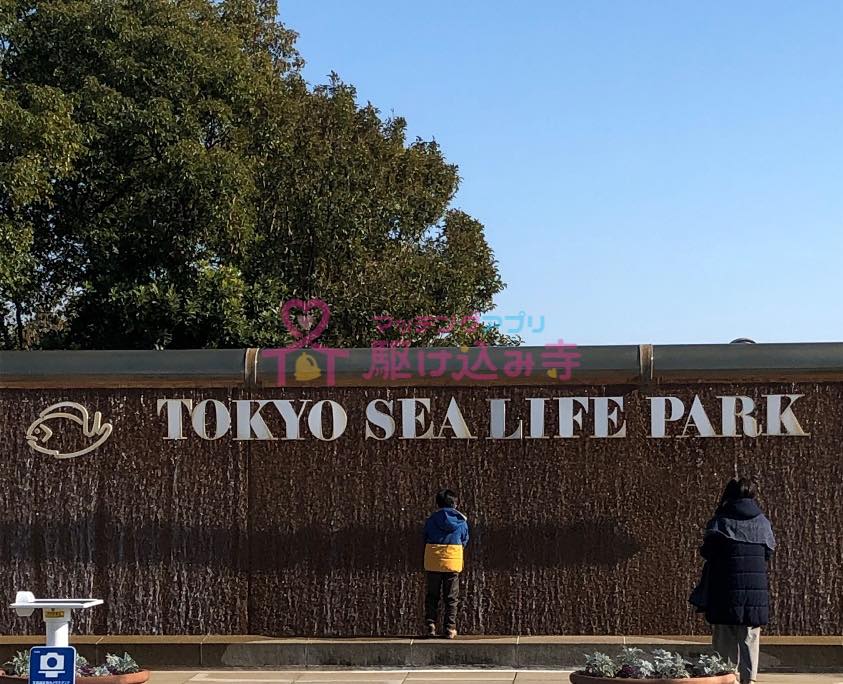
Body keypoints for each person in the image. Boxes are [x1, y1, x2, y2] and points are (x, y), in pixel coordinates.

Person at [699, 478, 775, 684]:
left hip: (725, 590)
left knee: (725, 639)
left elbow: (707, 551)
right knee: (750, 638)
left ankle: (726, 678)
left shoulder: (720, 521)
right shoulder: (763, 522)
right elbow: (768, 552)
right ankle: (749, 680)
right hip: (754, 594)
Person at [423, 488, 469, 639]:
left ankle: (430, 625)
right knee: (451, 597)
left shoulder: (431, 520)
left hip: (434, 560)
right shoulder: (461, 522)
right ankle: (450, 628)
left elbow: (425, 537)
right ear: (454, 504)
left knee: (432, 595)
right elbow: (464, 539)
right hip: (452, 560)